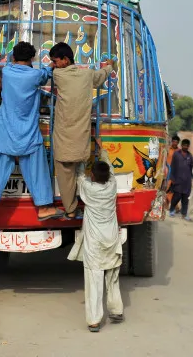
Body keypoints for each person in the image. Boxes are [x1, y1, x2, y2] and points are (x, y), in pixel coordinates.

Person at [0, 42, 64, 220]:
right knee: (38, 171)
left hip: (7, 132)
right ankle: (43, 207)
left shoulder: (8, 72)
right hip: (29, 133)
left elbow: (6, 69)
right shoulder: (35, 75)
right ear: (32, 59)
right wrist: (51, 65)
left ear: (14, 58)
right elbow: (46, 74)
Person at [49, 42, 114, 219]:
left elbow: (50, 70)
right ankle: (88, 206)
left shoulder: (57, 74)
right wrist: (109, 67)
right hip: (82, 136)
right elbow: (100, 77)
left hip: (63, 136)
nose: (53, 64)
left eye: (55, 61)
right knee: (82, 172)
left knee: (65, 174)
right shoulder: (87, 74)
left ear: (65, 60)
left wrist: (52, 66)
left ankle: (70, 209)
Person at [68, 138, 124, 332]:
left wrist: (83, 153)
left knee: (94, 278)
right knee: (112, 274)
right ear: (108, 177)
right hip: (111, 240)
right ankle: (116, 310)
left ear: (92, 175)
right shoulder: (112, 187)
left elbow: (78, 174)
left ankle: (94, 320)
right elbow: (110, 169)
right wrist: (103, 151)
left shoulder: (88, 189)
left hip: (94, 241)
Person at [168, 138, 193, 218]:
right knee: (176, 197)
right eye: (184, 145)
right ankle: (171, 210)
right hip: (177, 180)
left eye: (187, 146)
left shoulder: (190, 156)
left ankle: (184, 214)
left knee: (185, 198)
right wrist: (172, 178)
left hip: (187, 181)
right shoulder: (176, 154)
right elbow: (172, 166)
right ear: (181, 145)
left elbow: (192, 167)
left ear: (188, 146)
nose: (185, 147)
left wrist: (192, 179)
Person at [165, 135, 180, 208]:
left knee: (173, 189)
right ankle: (167, 205)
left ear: (178, 143)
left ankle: (174, 205)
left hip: (176, 173)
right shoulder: (168, 150)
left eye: (176, 142)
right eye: (173, 141)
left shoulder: (179, 151)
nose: (175, 143)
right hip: (167, 172)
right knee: (167, 188)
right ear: (172, 142)